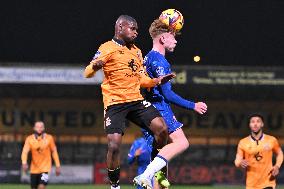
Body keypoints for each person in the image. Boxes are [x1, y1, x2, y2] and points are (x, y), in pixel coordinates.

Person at [84, 15, 176, 189]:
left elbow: (142, 79)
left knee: (162, 129)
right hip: (115, 102)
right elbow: (87, 73)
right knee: (114, 145)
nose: (136, 32)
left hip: (135, 100)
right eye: (132, 28)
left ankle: (155, 171)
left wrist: (157, 81)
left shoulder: (137, 51)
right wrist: (95, 67)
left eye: (136, 30)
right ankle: (115, 184)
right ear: (120, 27)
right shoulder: (107, 47)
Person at [134, 19, 208, 189]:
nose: (175, 40)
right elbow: (167, 94)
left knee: (161, 171)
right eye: (172, 36)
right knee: (182, 142)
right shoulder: (159, 61)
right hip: (159, 108)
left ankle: (147, 176)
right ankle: (145, 174)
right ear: (163, 39)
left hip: (147, 111)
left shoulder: (147, 57)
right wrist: (193, 105)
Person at [234, 113, 283, 189]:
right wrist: (240, 162)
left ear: (262, 124)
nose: (255, 124)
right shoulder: (243, 142)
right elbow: (237, 160)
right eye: (253, 122)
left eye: (258, 121)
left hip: (268, 183)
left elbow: (280, 153)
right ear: (250, 125)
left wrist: (277, 166)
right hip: (251, 185)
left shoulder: (272, 140)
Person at [21, 121, 61, 189]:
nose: (39, 128)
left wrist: (58, 165)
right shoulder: (29, 139)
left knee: (41, 187)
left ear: (44, 128)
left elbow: (54, 152)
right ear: (34, 128)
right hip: (34, 169)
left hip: (45, 169)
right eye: (37, 127)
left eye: (41, 127)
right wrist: (24, 163)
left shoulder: (49, 138)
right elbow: (25, 152)